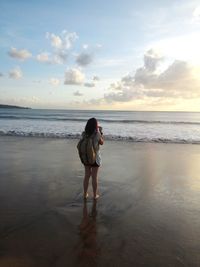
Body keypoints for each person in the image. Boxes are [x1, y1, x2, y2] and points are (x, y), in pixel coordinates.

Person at [81, 117, 104, 200]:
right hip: (95, 158)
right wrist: (100, 132)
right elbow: (102, 142)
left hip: (86, 157)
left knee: (87, 175)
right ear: (96, 125)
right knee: (94, 177)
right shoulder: (97, 134)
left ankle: (85, 194)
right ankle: (95, 195)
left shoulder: (84, 133)